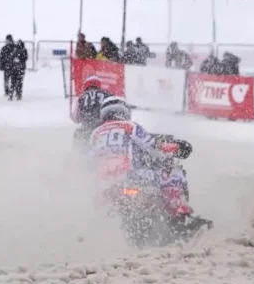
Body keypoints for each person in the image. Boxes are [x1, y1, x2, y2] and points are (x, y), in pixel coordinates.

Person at [89, 96, 212, 230]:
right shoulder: (130, 127)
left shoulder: (95, 135)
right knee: (172, 173)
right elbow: (154, 147)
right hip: (130, 177)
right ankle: (180, 216)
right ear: (125, 111)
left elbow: (90, 161)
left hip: (104, 187)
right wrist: (178, 147)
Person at [72, 76, 112, 145]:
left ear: (86, 85)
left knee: (77, 136)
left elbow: (76, 119)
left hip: (86, 129)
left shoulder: (81, 98)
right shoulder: (107, 95)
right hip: (102, 128)